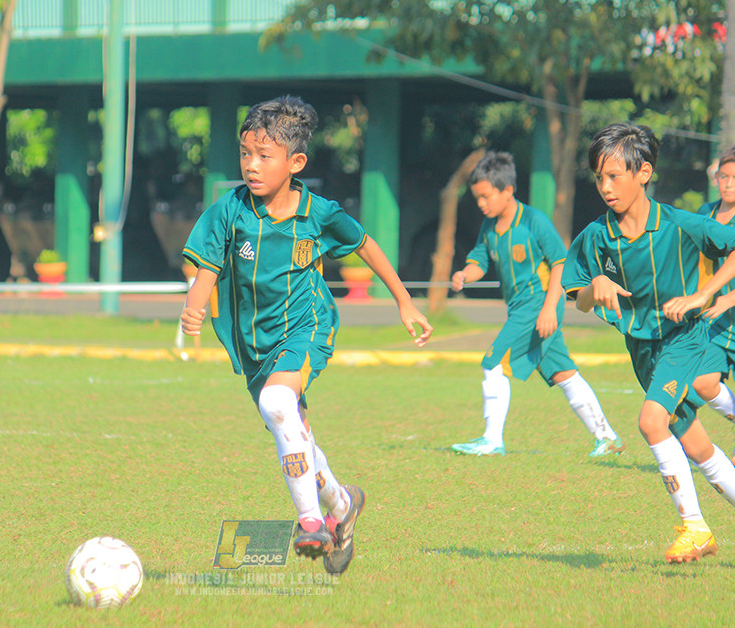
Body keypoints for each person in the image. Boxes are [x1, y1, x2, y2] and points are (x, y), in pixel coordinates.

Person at [180, 96, 432, 575]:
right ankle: (341, 504)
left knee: (277, 404)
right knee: (291, 429)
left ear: (295, 163)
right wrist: (194, 304)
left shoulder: (319, 214)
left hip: (306, 326)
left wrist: (403, 299)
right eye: (245, 153)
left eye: (264, 155)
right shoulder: (229, 210)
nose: (251, 166)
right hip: (252, 344)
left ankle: (312, 522)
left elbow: (365, 246)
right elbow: (207, 264)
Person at [562, 122, 735, 570]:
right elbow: (581, 301)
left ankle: (695, 527)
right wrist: (597, 284)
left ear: (643, 172)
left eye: (615, 176)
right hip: (642, 349)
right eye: (599, 177)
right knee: (695, 444)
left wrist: (708, 294)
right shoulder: (596, 236)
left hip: (684, 339)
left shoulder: (681, 224)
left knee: (651, 422)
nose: (605, 187)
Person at [450, 151, 623, 457]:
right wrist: (465, 273)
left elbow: (560, 264)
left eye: (486, 197)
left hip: (538, 305)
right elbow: (479, 259)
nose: (481, 204)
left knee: (493, 363)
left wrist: (548, 309)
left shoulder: (533, 221)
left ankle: (492, 440)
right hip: (521, 309)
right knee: (562, 372)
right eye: (477, 198)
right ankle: (607, 437)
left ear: (507, 191)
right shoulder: (489, 227)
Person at [690, 146, 735, 479]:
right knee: (702, 383)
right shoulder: (705, 212)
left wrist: (728, 299)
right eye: (723, 177)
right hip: (712, 319)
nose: (728, 184)